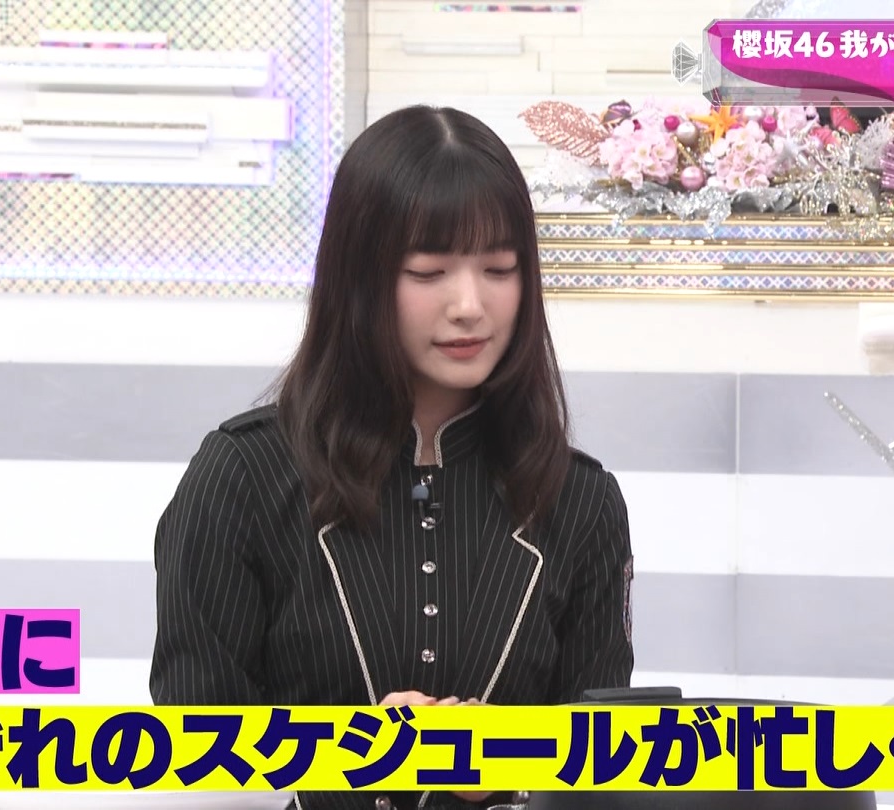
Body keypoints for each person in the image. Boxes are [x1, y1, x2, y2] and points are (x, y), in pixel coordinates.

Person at [149, 105, 635, 810]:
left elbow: (611, 769)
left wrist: (509, 764)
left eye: (499, 269)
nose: (470, 305)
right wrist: (351, 754)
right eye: (429, 271)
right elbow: (193, 757)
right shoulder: (241, 478)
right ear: (360, 277)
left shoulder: (581, 500)